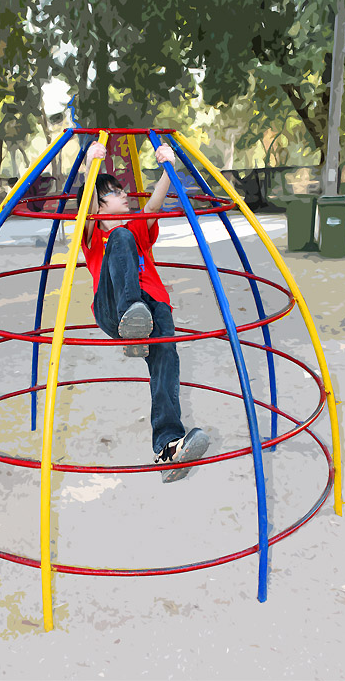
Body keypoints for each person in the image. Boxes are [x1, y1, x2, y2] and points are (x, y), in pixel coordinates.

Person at [78, 141, 209, 483]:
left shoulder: (136, 226)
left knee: (167, 359)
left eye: (122, 190)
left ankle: (168, 447)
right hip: (112, 307)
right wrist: (91, 167)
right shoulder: (93, 236)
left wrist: (169, 166)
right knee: (120, 236)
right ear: (99, 202)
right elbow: (88, 208)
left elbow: (155, 202)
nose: (125, 195)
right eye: (115, 192)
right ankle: (129, 320)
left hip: (154, 306)